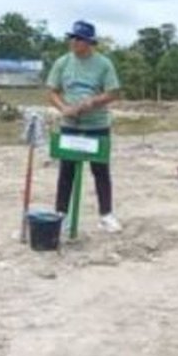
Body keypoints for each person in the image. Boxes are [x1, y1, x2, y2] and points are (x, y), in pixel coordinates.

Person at [47, 19, 123, 232]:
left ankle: (106, 214)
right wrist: (64, 108)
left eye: (79, 39)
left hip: (97, 125)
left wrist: (93, 102)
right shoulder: (62, 62)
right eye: (72, 37)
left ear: (89, 42)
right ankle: (61, 214)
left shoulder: (104, 64)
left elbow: (113, 92)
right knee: (66, 171)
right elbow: (52, 91)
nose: (74, 42)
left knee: (100, 170)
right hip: (70, 124)